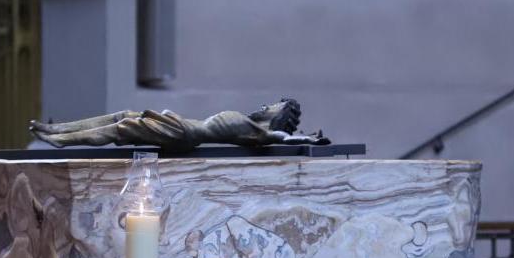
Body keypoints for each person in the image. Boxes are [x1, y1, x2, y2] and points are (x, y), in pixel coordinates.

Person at [29, 98, 330, 150]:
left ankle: (61, 140)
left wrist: (309, 140)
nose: (263, 107)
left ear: (275, 116)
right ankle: (57, 130)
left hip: (183, 134)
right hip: (181, 124)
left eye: (270, 107)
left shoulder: (260, 132)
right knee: (122, 116)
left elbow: (284, 139)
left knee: (120, 130)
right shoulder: (248, 122)